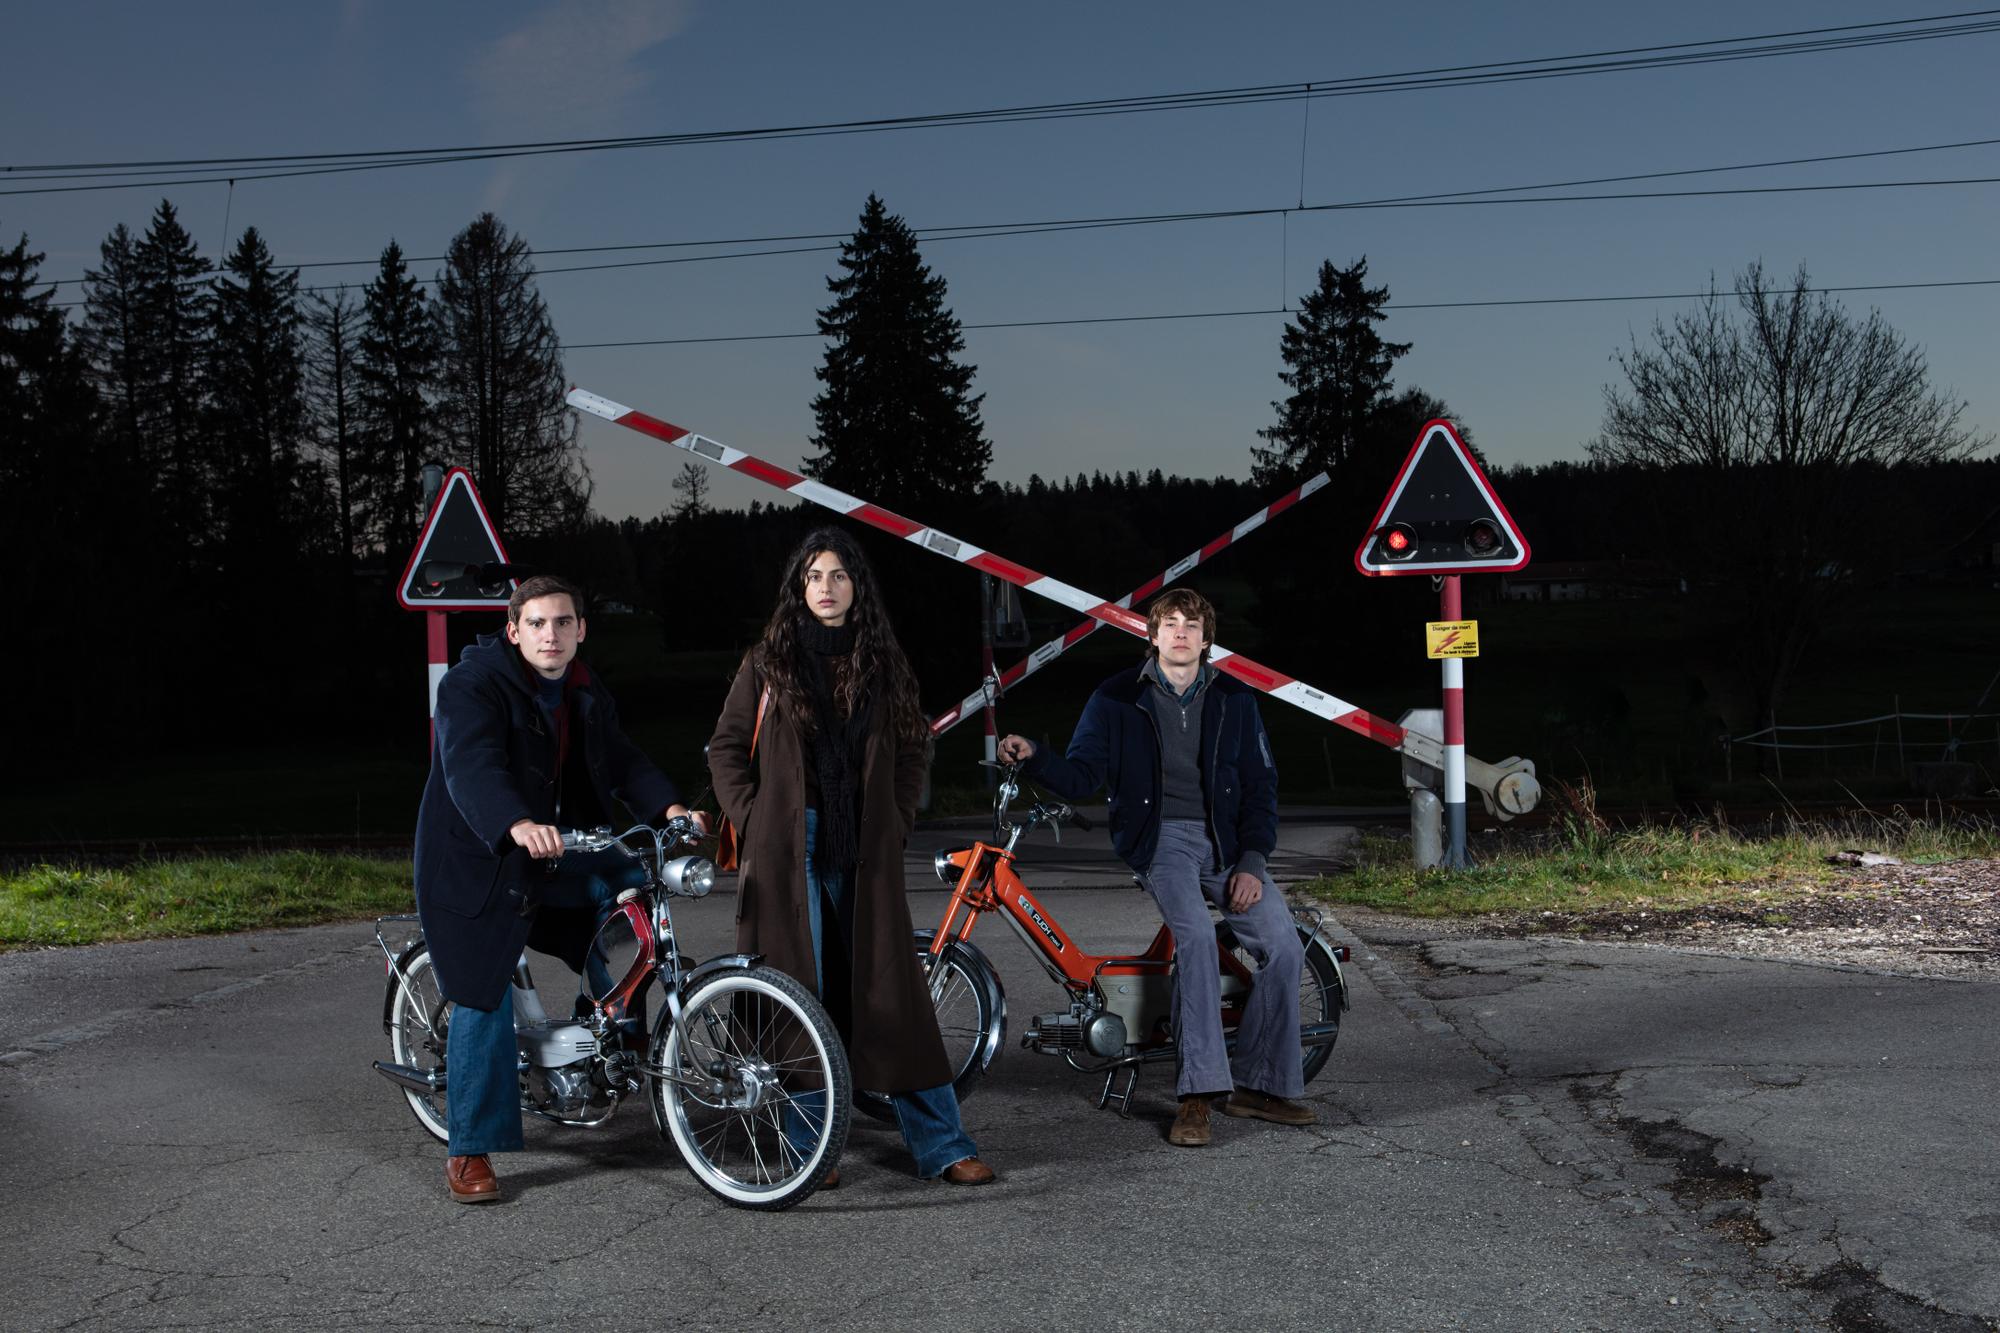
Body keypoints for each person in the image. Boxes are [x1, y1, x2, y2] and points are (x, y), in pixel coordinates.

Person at [708, 527, 995, 1188]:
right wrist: (755, 820)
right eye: (814, 576)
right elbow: (725, 748)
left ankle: (943, 1144)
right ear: (798, 587)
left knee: (892, 992)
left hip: (865, 845)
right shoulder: (767, 662)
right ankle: (814, 1148)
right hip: (789, 846)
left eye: (838, 576)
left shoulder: (883, 661)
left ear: (856, 585)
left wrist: (896, 818)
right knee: (801, 992)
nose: (826, 588)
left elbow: (913, 746)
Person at [413, 574, 706, 1203]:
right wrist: (515, 822)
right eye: (538, 624)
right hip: (482, 858)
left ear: (580, 629)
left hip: (558, 850)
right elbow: (472, 764)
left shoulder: (582, 687)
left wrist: (670, 810)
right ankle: (470, 1147)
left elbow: (622, 757)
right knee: (482, 991)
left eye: (564, 623)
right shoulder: (472, 685)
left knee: (634, 902)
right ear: (514, 630)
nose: (552, 635)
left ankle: (603, 1045)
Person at [997, 587, 1315, 1147]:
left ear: (1207, 637)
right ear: (1152, 634)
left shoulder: (1235, 700)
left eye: (1192, 624)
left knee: (1285, 947)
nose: (1182, 633)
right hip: (1162, 841)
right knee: (1194, 938)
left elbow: (1262, 789)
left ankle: (1259, 1086)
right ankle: (1196, 1098)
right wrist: (1036, 755)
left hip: (1228, 845)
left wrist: (1251, 862)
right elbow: (1083, 776)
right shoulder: (1117, 697)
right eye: (1170, 623)